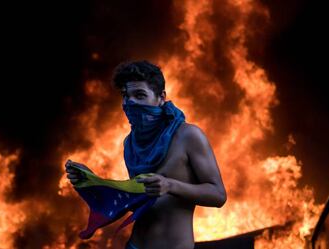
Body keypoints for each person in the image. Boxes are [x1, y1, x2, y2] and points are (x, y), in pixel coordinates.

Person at [66, 60, 227, 249]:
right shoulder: (130, 144)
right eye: (126, 95)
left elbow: (218, 195)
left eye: (140, 95)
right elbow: (137, 201)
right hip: (135, 245)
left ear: (161, 98)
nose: (131, 102)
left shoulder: (188, 136)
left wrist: (170, 185)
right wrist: (93, 181)